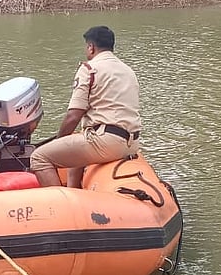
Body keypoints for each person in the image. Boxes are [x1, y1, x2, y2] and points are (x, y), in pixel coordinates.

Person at [29, 26, 141, 189]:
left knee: (38, 157)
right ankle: (73, 189)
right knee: (77, 145)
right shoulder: (128, 70)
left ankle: (63, 204)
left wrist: (58, 140)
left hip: (106, 142)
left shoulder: (89, 69)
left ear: (91, 47)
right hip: (131, 143)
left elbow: (74, 116)